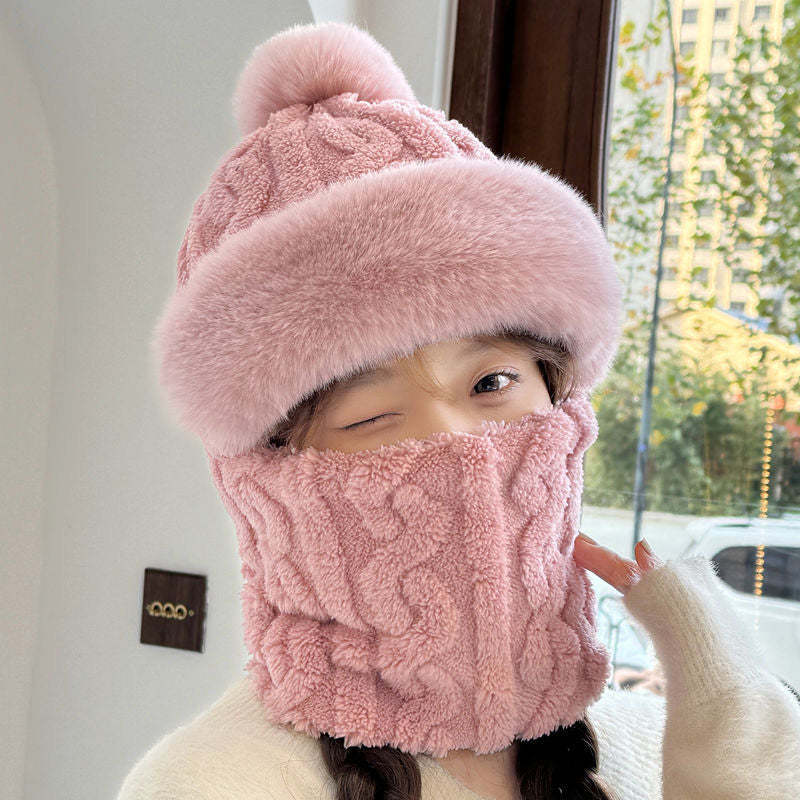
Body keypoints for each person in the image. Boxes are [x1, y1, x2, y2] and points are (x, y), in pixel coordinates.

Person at [118, 20, 800, 800]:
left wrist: (728, 688)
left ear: (557, 389)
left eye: (491, 383)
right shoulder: (217, 782)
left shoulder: (645, 746)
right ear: (267, 474)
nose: (454, 438)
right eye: (370, 416)